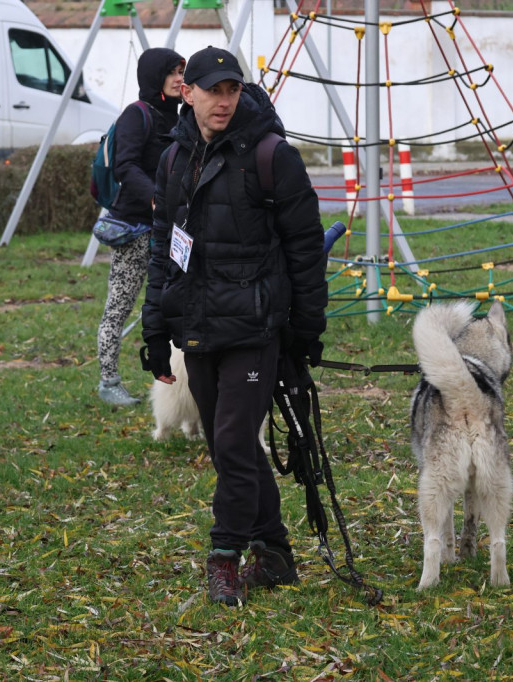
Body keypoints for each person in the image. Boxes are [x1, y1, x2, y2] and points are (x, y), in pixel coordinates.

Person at [140, 46, 328, 606]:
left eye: (232, 90)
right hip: (197, 325)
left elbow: (305, 251)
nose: (224, 101)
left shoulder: (273, 156)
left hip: (254, 326)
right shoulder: (174, 159)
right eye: (212, 90)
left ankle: (223, 557)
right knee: (232, 453)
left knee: (232, 440)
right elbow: (162, 249)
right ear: (187, 93)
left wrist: (306, 329)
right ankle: (274, 555)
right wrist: (154, 328)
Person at [97, 48, 185, 406]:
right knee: (120, 304)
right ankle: (109, 382)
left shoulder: (178, 116)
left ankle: (177, 380)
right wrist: (154, 197)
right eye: (173, 73)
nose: (180, 79)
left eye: (182, 72)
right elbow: (125, 165)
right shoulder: (137, 115)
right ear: (155, 78)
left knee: (173, 301)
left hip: (168, 228)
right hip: (135, 229)